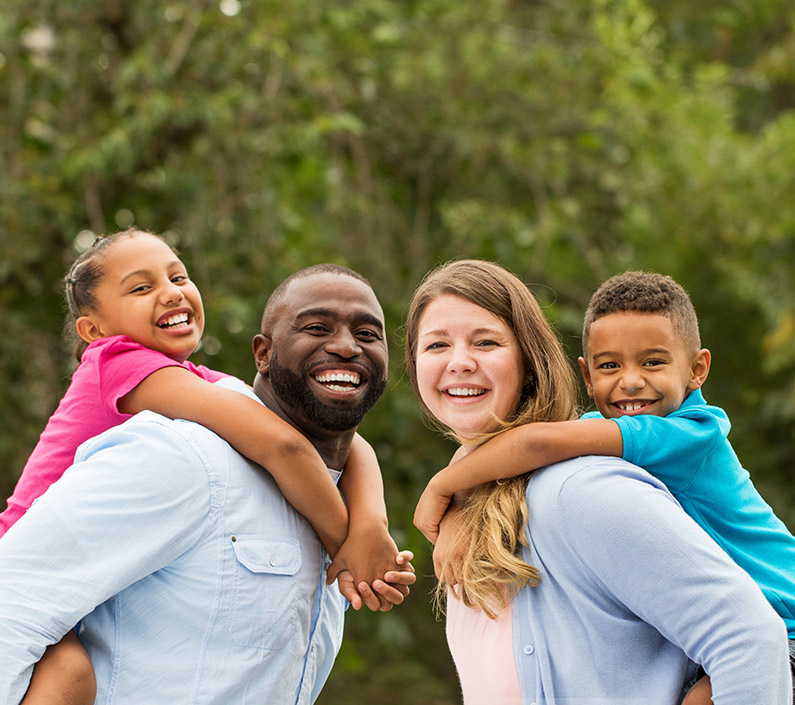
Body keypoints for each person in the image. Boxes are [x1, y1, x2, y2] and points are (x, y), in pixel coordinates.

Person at [0, 262, 415, 704]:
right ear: (263, 354)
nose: (347, 347)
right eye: (316, 327)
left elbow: (343, 449)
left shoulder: (330, 491)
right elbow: (12, 600)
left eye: (369, 334)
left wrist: (368, 524)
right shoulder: (181, 457)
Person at [405, 259, 791, 704]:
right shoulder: (589, 444)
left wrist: (442, 487)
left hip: (787, 624)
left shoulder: (682, 435)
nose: (630, 382)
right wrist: (459, 504)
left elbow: (536, 443)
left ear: (697, 370)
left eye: (486, 342)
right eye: (436, 345)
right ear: (588, 375)